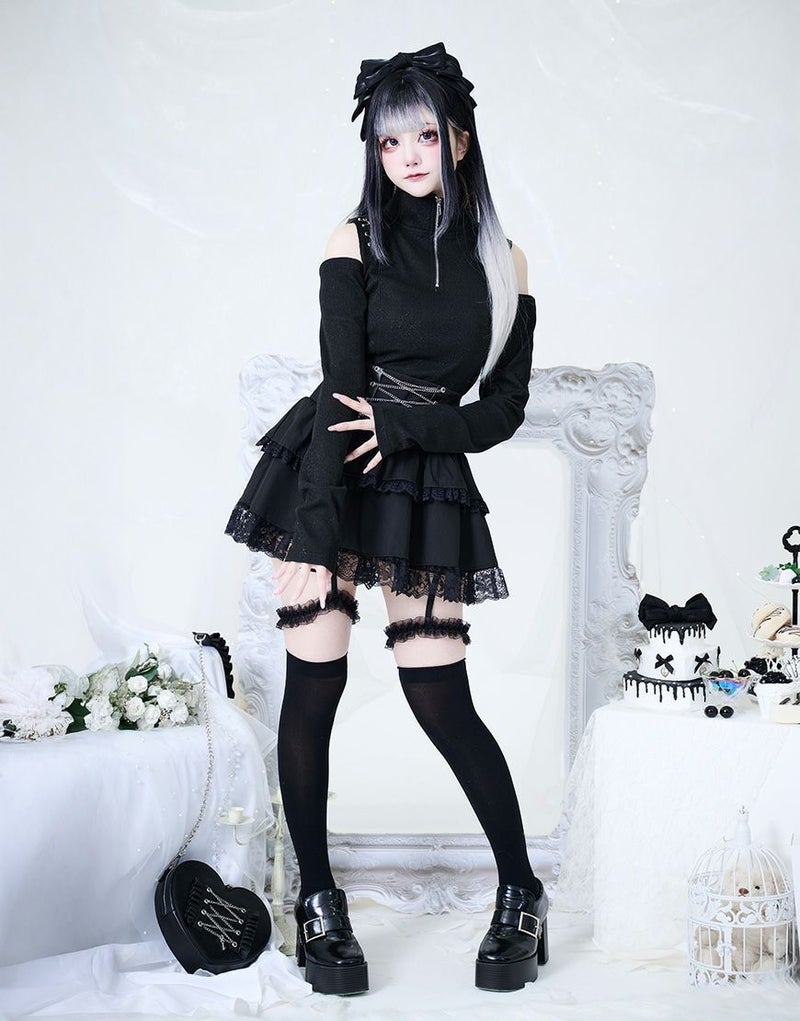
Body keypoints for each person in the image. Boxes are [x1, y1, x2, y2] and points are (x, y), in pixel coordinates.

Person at [225, 41, 546, 995]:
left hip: (422, 474)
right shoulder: (350, 240)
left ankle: (522, 891)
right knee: (314, 689)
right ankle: (319, 905)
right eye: (389, 139)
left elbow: (503, 410)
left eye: (425, 136)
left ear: (460, 140)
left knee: (439, 698)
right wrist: (313, 538)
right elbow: (340, 389)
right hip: (329, 472)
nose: (407, 155)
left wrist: (407, 427)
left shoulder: (503, 260)